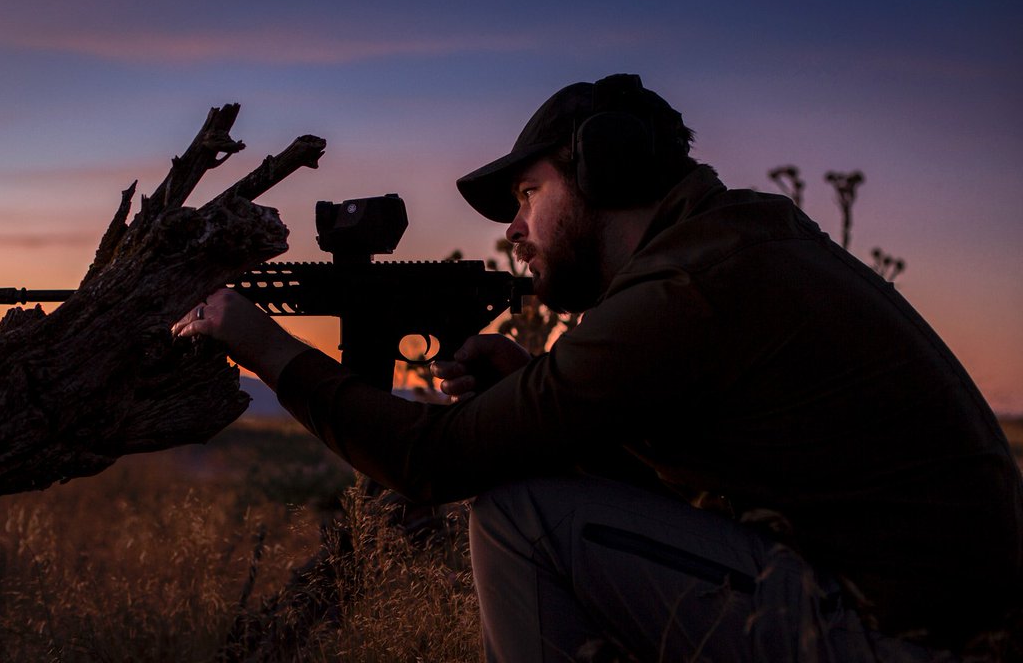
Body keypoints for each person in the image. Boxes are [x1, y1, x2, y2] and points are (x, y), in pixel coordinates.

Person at [172, 74, 1022, 661]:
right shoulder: (734, 243)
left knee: (521, 513)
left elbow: (434, 462)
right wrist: (535, 396)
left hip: (898, 642)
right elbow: (704, 488)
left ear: (602, 167)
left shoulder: (689, 284)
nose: (514, 229)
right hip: (921, 621)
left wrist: (269, 349)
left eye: (527, 196)